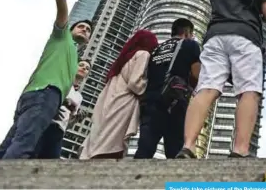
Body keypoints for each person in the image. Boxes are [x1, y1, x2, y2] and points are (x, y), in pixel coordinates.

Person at [177, 0, 266, 159]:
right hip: (244, 37)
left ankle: (188, 145)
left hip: (214, 38)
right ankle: (240, 150)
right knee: (248, 91)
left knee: (206, 89)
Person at [0, 0, 92, 159]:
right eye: (81, 26)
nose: (85, 29)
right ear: (71, 28)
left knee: (8, 147)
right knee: (24, 147)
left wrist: (65, 102)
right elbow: (62, 8)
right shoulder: (62, 36)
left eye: (88, 30)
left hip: (38, 98)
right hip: (44, 94)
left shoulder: (73, 58)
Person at [80, 29, 158, 159]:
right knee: (113, 140)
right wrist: (148, 92)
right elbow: (135, 82)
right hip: (124, 102)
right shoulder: (143, 54)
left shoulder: (123, 60)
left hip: (110, 102)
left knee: (102, 135)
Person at [134, 18, 201, 159]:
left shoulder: (156, 49)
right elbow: (196, 73)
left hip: (150, 101)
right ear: (188, 32)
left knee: (145, 148)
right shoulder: (190, 45)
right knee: (175, 150)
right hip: (175, 101)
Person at [35, 60, 91, 159]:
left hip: (59, 132)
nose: (84, 68)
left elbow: (68, 124)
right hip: (45, 125)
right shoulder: (61, 82)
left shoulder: (79, 97)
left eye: (87, 68)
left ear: (87, 75)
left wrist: (76, 119)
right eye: (81, 65)